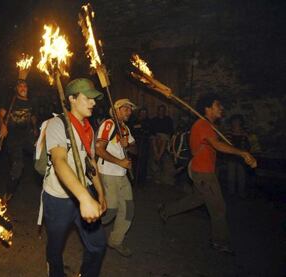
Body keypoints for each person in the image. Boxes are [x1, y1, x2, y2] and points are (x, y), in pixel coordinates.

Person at [158, 93, 256, 254]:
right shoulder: (202, 125)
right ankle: (219, 242)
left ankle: (166, 211)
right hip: (203, 173)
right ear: (208, 108)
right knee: (218, 208)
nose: (221, 108)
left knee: (196, 199)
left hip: (203, 170)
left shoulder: (209, 126)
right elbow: (216, 145)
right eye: (218, 105)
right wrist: (243, 153)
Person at [42, 78, 107, 277]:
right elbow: (60, 161)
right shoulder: (56, 124)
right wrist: (85, 198)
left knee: (98, 245)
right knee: (55, 248)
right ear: (71, 99)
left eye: (94, 99)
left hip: (84, 192)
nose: (93, 103)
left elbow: (92, 163)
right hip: (59, 198)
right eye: (87, 98)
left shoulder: (89, 127)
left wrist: (100, 193)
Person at [95, 99, 137, 257]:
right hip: (108, 173)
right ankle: (87, 227)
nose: (129, 111)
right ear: (117, 109)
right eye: (126, 108)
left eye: (130, 109)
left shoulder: (125, 128)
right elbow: (99, 149)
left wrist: (128, 145)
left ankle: (115, 241)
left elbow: (135, 148)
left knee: (128, 209)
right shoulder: (109, 124)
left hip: (122, 175)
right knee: (110, 211)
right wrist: (120, 161)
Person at [0, 79, 37, 198]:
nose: (23, 88)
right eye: (20, 86)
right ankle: (8, 193)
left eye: (25, 86)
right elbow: (0, 115)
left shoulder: (31, 102)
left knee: (40, 153)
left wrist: (35, 128)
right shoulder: (11, 101)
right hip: (13, 138)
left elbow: (33, 116)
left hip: (27, 136)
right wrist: (3, 126)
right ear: (16, 89)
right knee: (18, 166)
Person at [225, 114, 251, 198]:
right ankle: (231, 192)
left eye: (237, 121)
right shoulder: (229, 132)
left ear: (241, 122)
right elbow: (226, 144)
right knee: (231, 175)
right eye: (234, 121)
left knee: (241, 175)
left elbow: (248, 144)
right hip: (231, 156)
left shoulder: (244, 133)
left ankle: (241, 192)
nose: (236, 122)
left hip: (241, 157)